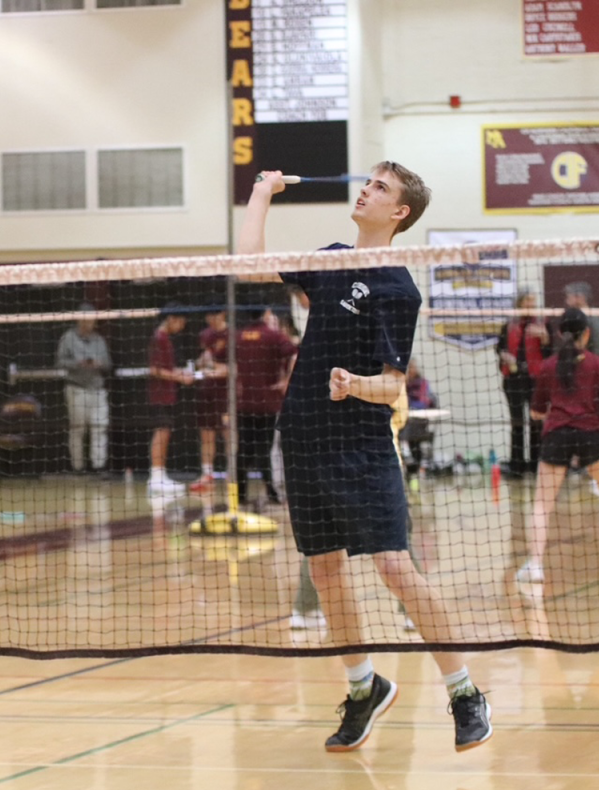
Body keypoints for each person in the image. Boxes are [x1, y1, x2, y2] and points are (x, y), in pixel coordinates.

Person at [241, 163, 492, 753]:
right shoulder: (330, 259)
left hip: (360, 445)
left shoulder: (397, 289)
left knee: (394, 567)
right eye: (369, 182)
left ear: (399, 212)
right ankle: (363, 688)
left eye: (381, 188)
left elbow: (391, 386)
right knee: (325, 572)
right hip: (302, 435)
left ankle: (464, 692)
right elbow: (251, 261)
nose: (366, 191)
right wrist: (260, 192)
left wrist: (352, 383)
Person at [517, 307, 599, 584]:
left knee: (542, 505)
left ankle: (535, 566)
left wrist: (556, 415)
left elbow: (536, 413)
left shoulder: (548, 366)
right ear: (586, 334)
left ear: (560, 333)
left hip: (557, 436)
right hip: (590, 436)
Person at [235, 307, 297, 506]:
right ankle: (272, 493)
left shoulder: (239, 336)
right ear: (266, 314)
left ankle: (240, 495)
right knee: (264, 449)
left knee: (243, 450)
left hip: (244, 402)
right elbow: (295, 353)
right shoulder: (273, 336)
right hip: (267, 402)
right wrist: (287, 380)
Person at [496, 291, 550, 477]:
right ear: (519, 303)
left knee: (536, 422)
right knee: (517, 423)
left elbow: (550, 354)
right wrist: (504, 355)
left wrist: (545, 339)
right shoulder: (509, 325)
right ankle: (517, 466)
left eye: (533, 301)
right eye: (528, 301)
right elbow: (499, 347)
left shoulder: (543, 324)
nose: (531, 304)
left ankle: (536, 466)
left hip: (535, 379)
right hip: (513, 379)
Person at [56, 303, 112, 474]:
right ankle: (78, 467)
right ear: (79, 319)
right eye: (87, 319)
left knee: (99, 427)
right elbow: (60, 361)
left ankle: (99, 466)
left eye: (93, 319)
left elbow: (108, 364)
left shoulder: (99, 339)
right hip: (76, 388)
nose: (90, 322)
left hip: (97, 389)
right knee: (77, 429)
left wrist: (98, 364)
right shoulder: (68, 338)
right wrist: (77, 364)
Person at [147, 303, 194, 497]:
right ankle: (156, 477)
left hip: (167, 393)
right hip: (159, 394)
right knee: (161, 432)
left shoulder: (165, 338)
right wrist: (179, 377)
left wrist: (180, 373)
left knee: (165, 432)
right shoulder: (159, 338)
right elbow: (155, 370)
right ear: (172, 319)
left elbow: (166, 368)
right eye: (181, 322)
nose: (182, 327)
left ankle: (160, 475)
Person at [189, 305, 230, 495]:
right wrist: (200, 363)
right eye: (208, 315)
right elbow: (200, 362)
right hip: (206, 391)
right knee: (206, 434)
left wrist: (214, 366)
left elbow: (233, 368)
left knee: (228, 434)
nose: (211, 319)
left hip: (226, 394)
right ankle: (207, 475)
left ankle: (234, 472)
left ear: (222, 313)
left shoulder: (232, 334)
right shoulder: (205, 335)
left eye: (214, 314)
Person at [563, 281, 599, 357]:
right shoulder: (575, 315)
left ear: (579, 297)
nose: (566, 301)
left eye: (568, 297)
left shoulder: (593, 317)